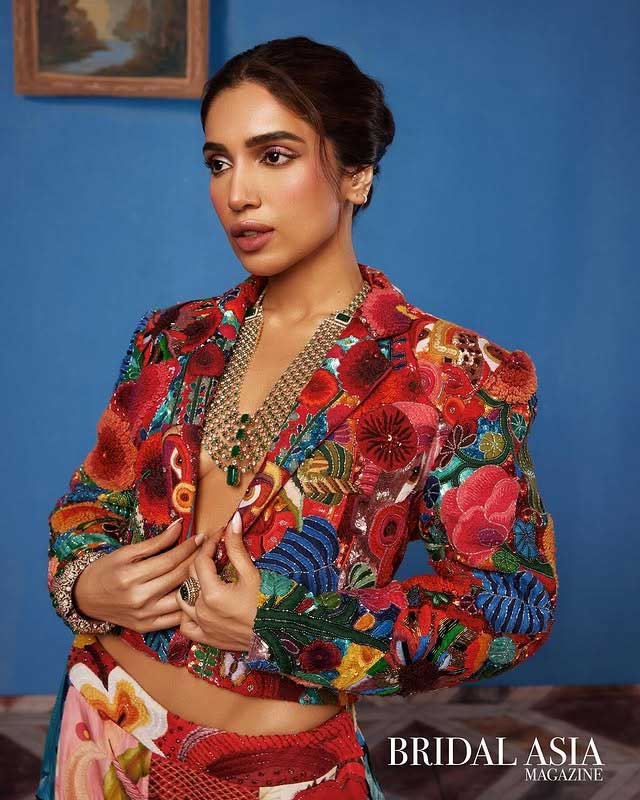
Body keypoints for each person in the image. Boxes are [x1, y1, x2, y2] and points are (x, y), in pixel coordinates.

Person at [37, 35, 558, 799]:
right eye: (218, 162)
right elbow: (88, 507)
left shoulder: (455, 375)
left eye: (273, 156)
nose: (237, 193)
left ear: (356, 173)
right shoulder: (172, 337)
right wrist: (83, 585)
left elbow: (509, 610)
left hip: (276, 773)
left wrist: (283, 624)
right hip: (99, 723)